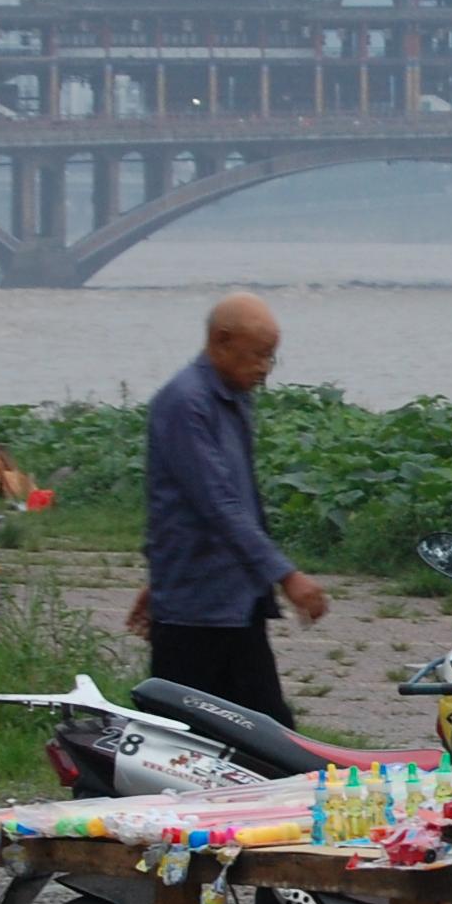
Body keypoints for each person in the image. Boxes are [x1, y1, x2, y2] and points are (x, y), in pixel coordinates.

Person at [127, 292, 328, 724]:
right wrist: (287, 575)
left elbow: (236, 500)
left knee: (265, 730)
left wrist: (159, 580)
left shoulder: (231, 398)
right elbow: (217, 504)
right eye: (258, 355)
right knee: (183, 732)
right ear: (221, 340)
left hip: (233, 602)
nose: (264, 369)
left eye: (271, 357)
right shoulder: (185, 403)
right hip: (198, 611)